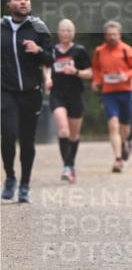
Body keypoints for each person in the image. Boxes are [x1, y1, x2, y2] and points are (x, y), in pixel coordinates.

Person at [1, 0, 53, 203]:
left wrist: (38, 51)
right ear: (9, 4)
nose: (23, 1)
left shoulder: (38, 28)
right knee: (9, 136)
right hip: (6, 92)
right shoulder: (1, 28)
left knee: (27, 141)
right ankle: (11, 177)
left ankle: (25, 185)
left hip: (31, 93)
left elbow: (52, 59)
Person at [91, 20, 132, 173]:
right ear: (105, 36)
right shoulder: (99, 51)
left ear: (119, 34)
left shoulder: (127, 50)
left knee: (125, 127)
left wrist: (125, 75)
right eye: (109, 35)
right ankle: (118, 158)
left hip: (126, 92)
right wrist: (96, 81)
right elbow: (96, 68)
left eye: (114, 34)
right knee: (113, 125)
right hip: (108, 94)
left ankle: (125, 142)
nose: (112, 37)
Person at [45, 18, 92, 183]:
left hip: (75, 95)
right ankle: (66, 166)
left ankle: (70, 164)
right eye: (63, 30)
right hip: (57, 94)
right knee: (63, 130)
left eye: (69, 30)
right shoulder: (51, 50)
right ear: (58, 32)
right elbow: (46, 66)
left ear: (74, 33)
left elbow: (91, 73)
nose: (65, 33)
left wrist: (76, 71)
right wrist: (47, 78)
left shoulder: (80, 51)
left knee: (74, 135)